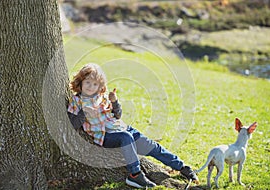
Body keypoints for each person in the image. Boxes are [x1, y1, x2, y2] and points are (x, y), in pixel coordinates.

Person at [67, 63, 198, 188]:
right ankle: (135, 174)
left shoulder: (102, 97)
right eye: (87, 82)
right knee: (126, 137)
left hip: (121, 128)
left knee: (152, 146)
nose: (90, 86)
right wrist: (84, 113)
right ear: (81, 82)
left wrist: (115, 102)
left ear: (99, 86)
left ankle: (182, 167)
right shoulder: (77, 101)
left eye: (94, 84)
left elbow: (117, 115)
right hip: (105, 136)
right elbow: (73, 123)